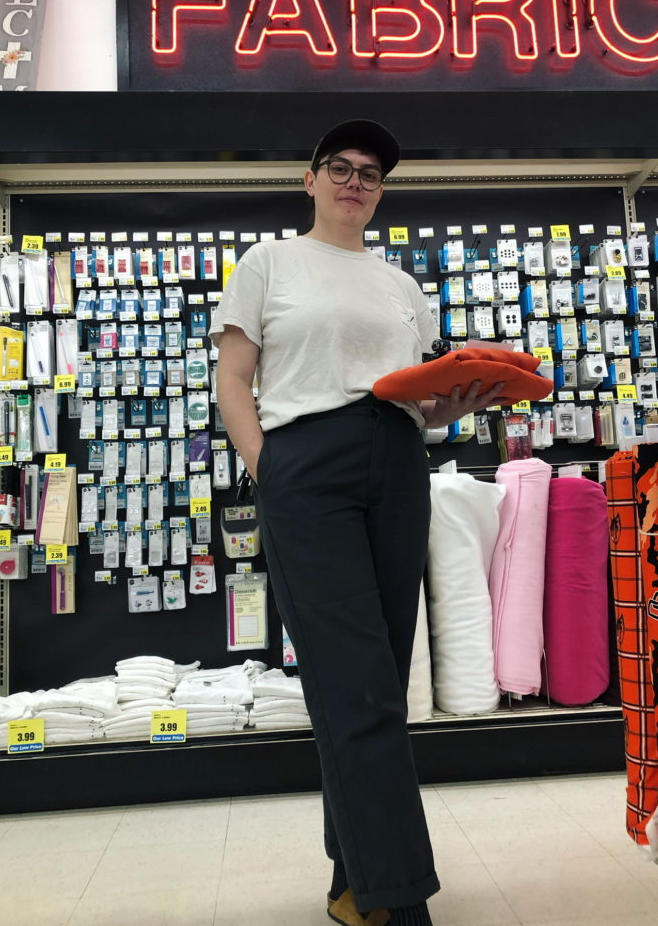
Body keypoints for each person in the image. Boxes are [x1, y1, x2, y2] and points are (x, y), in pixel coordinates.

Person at [212, 120, 503, 926]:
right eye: (338, 167)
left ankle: (354, 882)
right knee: (358, 688)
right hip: (306, 463)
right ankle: (398, 898)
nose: (353, 180)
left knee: (373, 684)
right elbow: (233, 380)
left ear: (380, 192)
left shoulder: (401, 285)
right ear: (309, 180)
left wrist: (451, 405)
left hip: (397, 459)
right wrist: (268, 469)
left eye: (369, 173)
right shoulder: (268, 263)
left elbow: (417, 399)